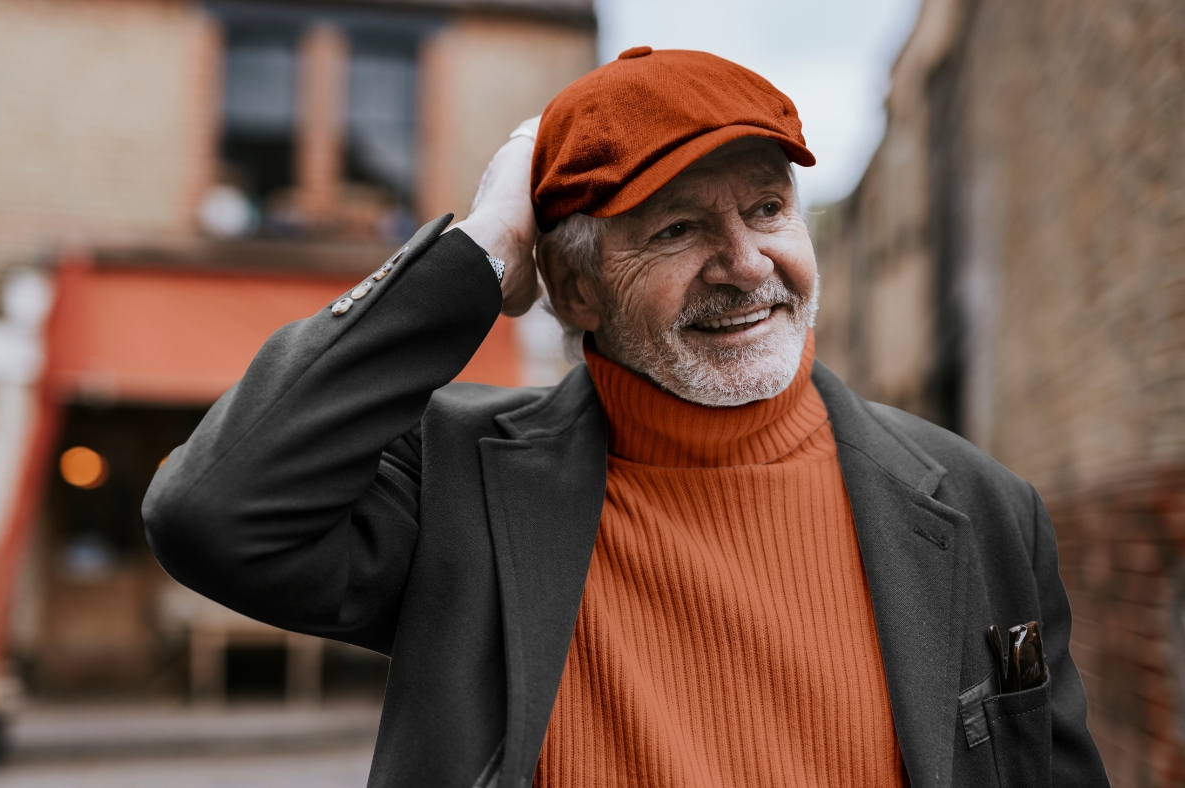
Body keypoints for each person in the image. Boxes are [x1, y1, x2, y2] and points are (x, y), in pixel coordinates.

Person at [144, 48, 1109, 788]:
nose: (746, 265)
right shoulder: (459, 487)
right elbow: (213, 511)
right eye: (678, 228)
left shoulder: (985, 508)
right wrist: (481, 249)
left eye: (767, 209)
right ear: (574, 290)